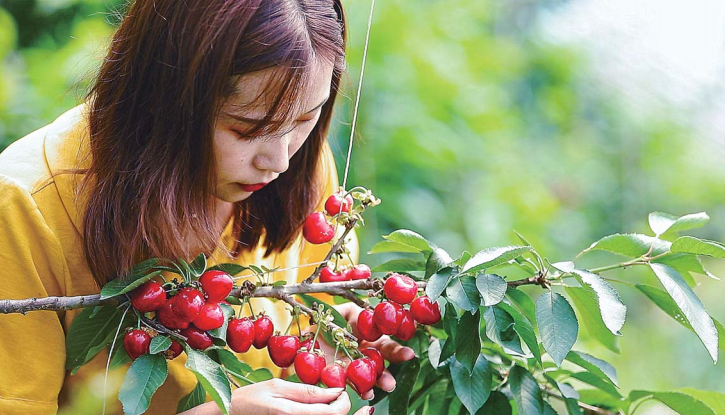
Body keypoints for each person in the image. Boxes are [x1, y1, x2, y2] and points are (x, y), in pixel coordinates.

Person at [0, 1, 414, 414]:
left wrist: (323, 332)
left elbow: (304, 313)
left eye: (306, 118)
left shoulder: (301, 169)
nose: (279, 161)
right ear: (163, 98)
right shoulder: (24, 207)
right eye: (247, 128)